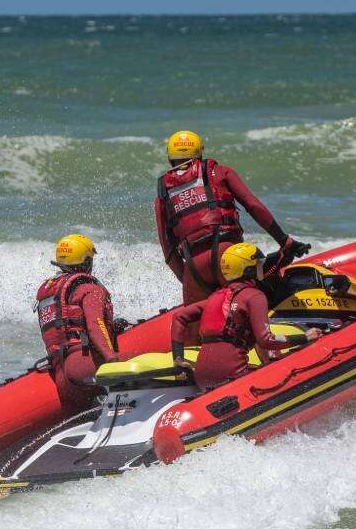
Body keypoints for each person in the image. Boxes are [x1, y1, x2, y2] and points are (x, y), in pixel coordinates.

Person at [155, 130, 312, 305]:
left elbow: (167, 248)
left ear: (170, 157)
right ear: (200, 152)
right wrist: (284, 241)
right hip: (229, 256)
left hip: (194, 267)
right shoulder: (220, 172)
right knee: (263, 296)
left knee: (198, 325)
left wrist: (189, 280)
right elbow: (253, 206)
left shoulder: (164, 194)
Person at [170, 242, 322, 391]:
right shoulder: (255, 296)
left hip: (201, 378)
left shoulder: (215, 297)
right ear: (249, 269)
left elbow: (179, 317)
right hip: (232, 375)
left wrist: (178, 358)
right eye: (259, 264)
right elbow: (266, 340)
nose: (261, 267)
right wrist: (304, 337)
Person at [36, 234, 121, 411]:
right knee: (138, 360)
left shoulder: (50, 291)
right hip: (83, 363)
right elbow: (95, 325)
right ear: (86, 260)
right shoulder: (89, 289)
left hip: (60, 375)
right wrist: (111, 358)